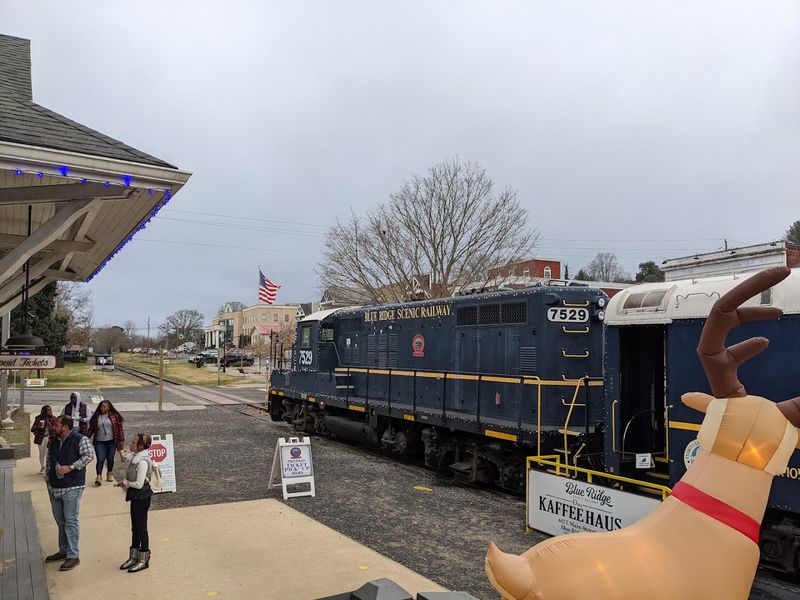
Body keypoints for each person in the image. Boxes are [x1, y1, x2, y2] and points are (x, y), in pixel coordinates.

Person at [44, 415, 94, 571]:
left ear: (65, 426)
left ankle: (73, 555)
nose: (54, 426)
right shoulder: (53, 440)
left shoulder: (80, 439)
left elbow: (89, 456)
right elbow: (49, 460)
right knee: (60, 520)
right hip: (54, 486)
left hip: (72, 486)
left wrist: (71, 467)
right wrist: (47, 478)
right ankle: (64, 550)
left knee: (70, 520)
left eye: (57, 424)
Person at [117, 433, 154, 573]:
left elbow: (139, 484)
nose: (131, 444)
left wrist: (126, 483)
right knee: (135, 526)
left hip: (142, 496)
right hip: (135, 496)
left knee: (141, 527)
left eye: (133, 442)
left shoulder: (143, 461)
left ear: (140, 446)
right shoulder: (135, 458)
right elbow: (125, 457)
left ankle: (144, 557)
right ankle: (134, 556)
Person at [86, 400, 125, 486]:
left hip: (112, 442)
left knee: (110, 459)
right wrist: (85, 437)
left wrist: (121, 441)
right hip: (99, 442)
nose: (102, 408)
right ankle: (99, 476)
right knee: (100, 459)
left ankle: (109, 473)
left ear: (108, 407)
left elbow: (120, 430)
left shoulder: (115, 416)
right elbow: (91, 429)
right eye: (101, 406)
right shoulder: (96, 417)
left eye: (104, 406)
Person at [31, 405, 55, 473]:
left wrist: (49, 424)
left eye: (50, 410)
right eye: (48, 410)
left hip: (49, 438)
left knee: (48, 452)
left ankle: (47, 466)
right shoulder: (38, 419)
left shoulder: (53, 418)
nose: (50, 412)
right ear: (44, 411)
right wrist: (39, 426)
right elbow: (32, 429)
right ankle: (42, 466)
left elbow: (55, 428)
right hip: (40, 438)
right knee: (42, 453)